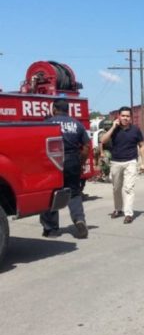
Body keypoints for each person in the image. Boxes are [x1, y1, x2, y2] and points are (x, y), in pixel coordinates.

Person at [40, 99, 90, 239]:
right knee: (74, 193)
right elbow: (86, 146)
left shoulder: (47, 124)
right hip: (73, 160)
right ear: (68, 109)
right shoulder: (77, 124)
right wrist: (80, 162)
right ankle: (79, 220)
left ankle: (51, 229)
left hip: (53, 161)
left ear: (54, 109)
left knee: (51, 194)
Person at [99, 106, 144, 224]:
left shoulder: (135, 130)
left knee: (129, 188)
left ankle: (128, 213)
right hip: (115, 162)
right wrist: (113, 127)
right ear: (119, 116)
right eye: (123, 116)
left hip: (130, 162)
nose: (125, 118)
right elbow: (103, 141)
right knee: (116, 188)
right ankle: (118, 209)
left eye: (127, 116)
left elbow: (141, 146)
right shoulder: (113, 129)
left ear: (131, 118)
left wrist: (143, 163)